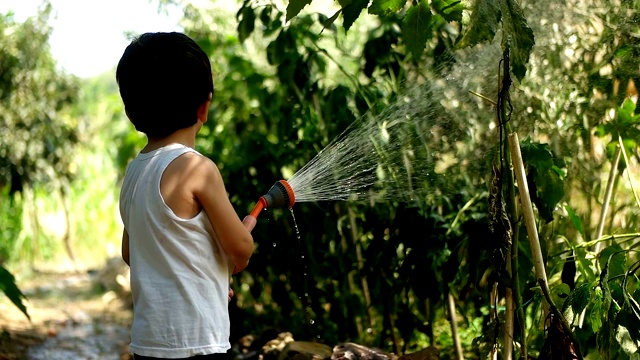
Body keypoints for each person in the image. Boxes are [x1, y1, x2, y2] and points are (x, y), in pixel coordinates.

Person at [116, 32, 256, 359]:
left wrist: (203, 277)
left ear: (132, 111)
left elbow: (131, 252)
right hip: (198, 343)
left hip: (148, 344)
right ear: (204, 107)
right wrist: (241, 235)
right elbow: (240, 249)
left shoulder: (134, 174)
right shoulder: (198, 169)